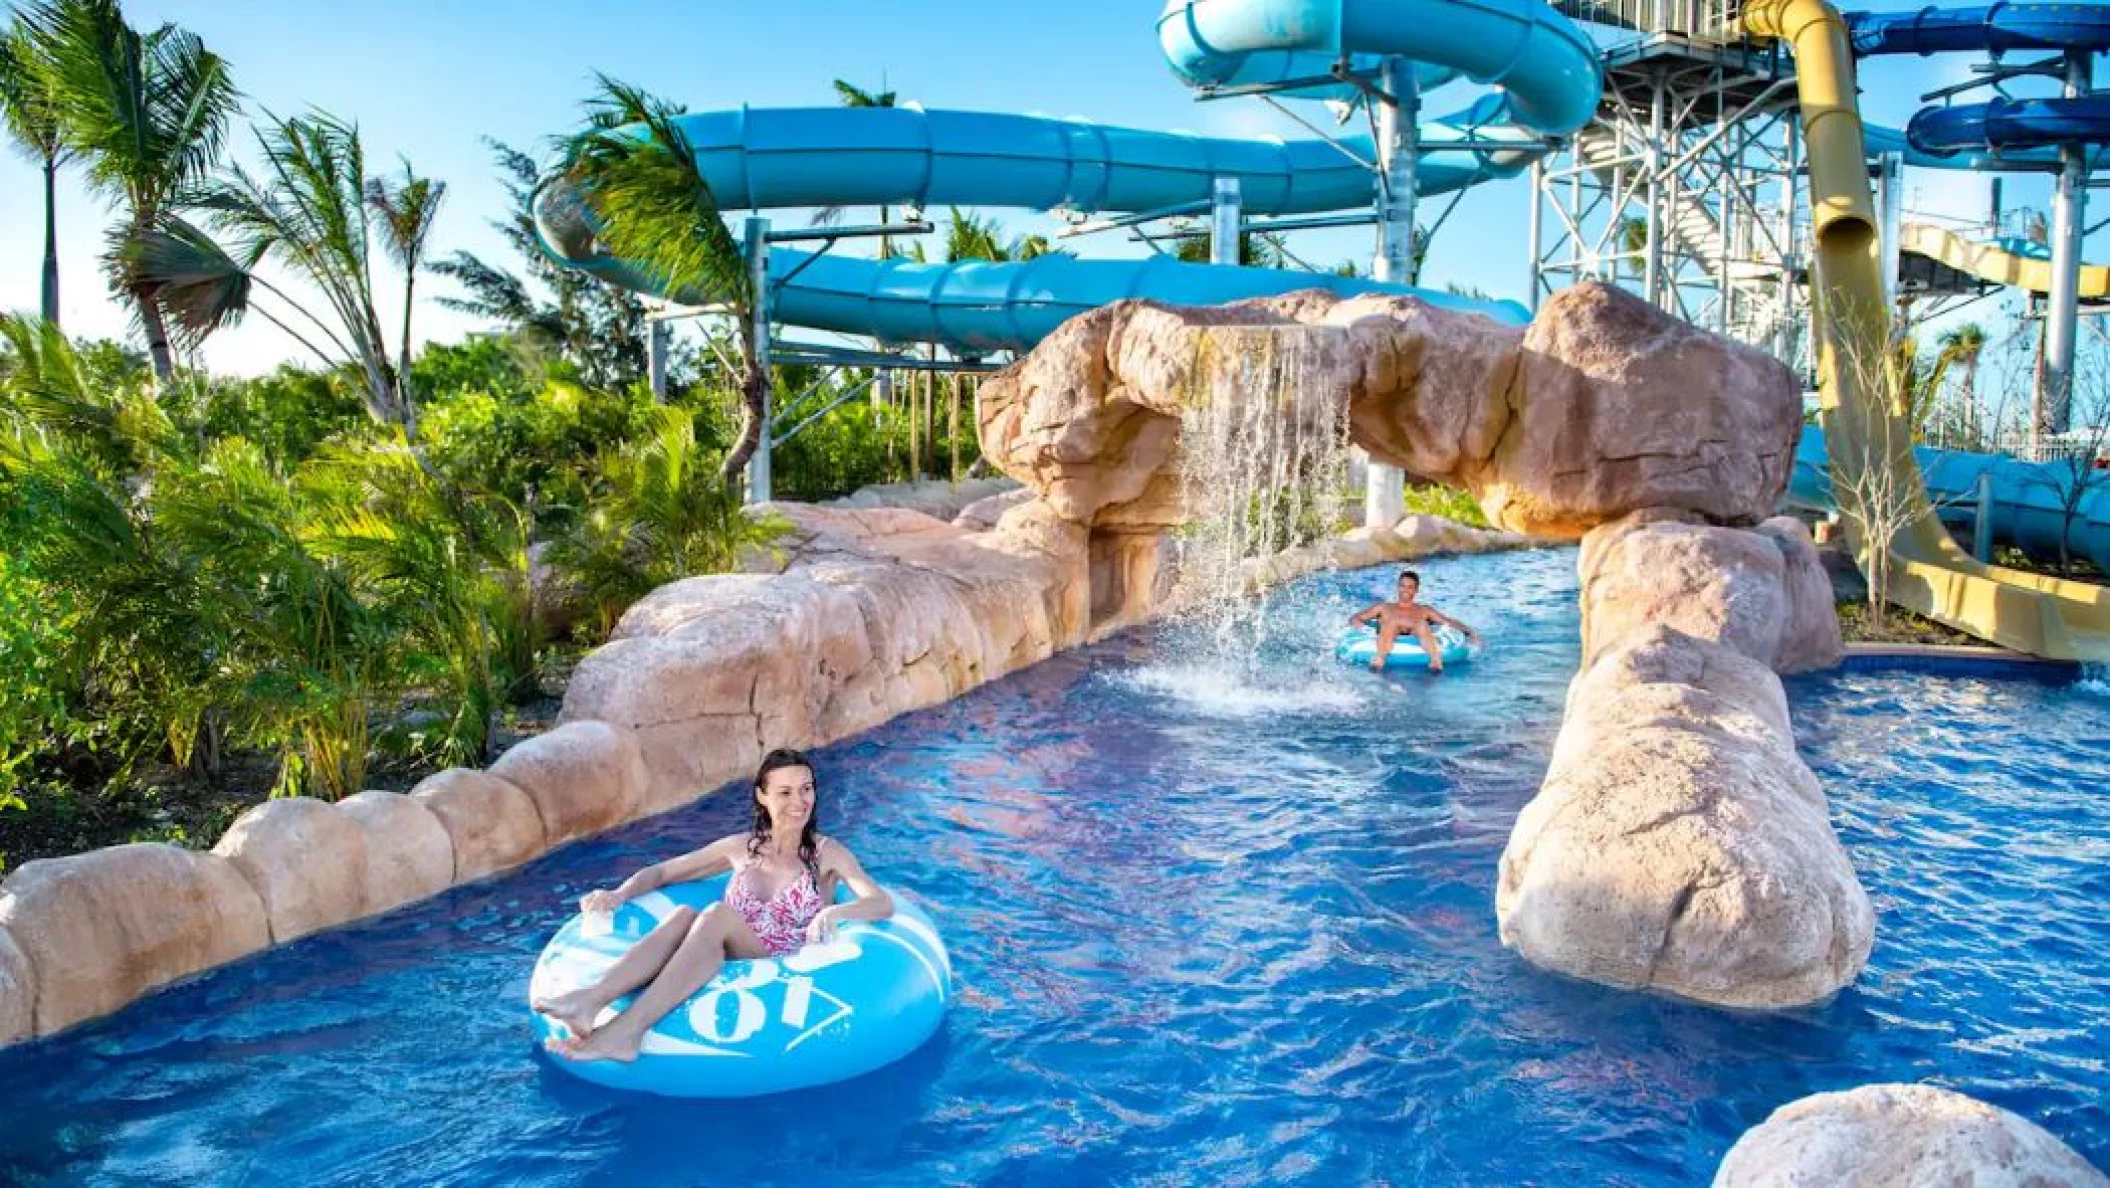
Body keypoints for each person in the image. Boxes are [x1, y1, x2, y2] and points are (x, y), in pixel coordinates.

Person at [532, 748, 894, 1063]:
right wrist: (618, 895)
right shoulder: (739, 848)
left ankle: (626, 1031)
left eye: (806, 789)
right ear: (762, 797)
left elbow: (880, 902)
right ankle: (590, 1002)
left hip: (781, 965)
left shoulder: (827, 853)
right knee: (684, 915)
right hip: (721, 954)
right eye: (785, 792)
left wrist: (836, 911)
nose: (799, 802)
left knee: (717, 914)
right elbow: (661, 873)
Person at [1347, 569, 1482, 673]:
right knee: (1392, 622)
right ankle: (1380, 658)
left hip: (1416, 633)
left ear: (1416, 590)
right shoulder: (1383, 607)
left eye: (1410, 587)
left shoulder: (1424, 610)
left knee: (1421, 624)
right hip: (1388, 634)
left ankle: (1435, 660)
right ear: (1398, 587)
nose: (1405, 590)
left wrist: (1469, 632)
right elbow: (1356, 618)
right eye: (1403, 586)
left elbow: (1447, 622)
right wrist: (1365, 630)